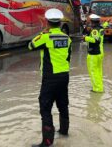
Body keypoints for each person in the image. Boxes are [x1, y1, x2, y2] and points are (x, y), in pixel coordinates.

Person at [29, 8, 72, 147]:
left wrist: (43, 33)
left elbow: (30, 45)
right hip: (64, 76)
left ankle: (47, 142)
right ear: (60, 23)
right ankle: (64, 132)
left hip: (50, 78)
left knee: (45, 108)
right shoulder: (67, 38)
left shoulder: (45, 37)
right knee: (63, 104)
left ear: (47, 22)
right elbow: (68, 56)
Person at [83, 14, 105, 93]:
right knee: (98, 71)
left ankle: (97, 89)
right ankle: (100, 87)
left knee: (93, 71)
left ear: (92, 22)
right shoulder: (101, 28)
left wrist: (85, 38)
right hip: (100, 52)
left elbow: (96, 40)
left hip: (94, 53)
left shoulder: (95, 30)